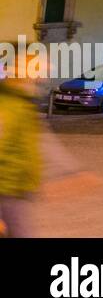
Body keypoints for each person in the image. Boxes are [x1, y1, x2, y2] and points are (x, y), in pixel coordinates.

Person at [0, 58, 42, 237]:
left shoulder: (22, 104)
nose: (40, 75)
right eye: (35, 68)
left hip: (17, 191)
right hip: (6, 192)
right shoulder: (8, 106)